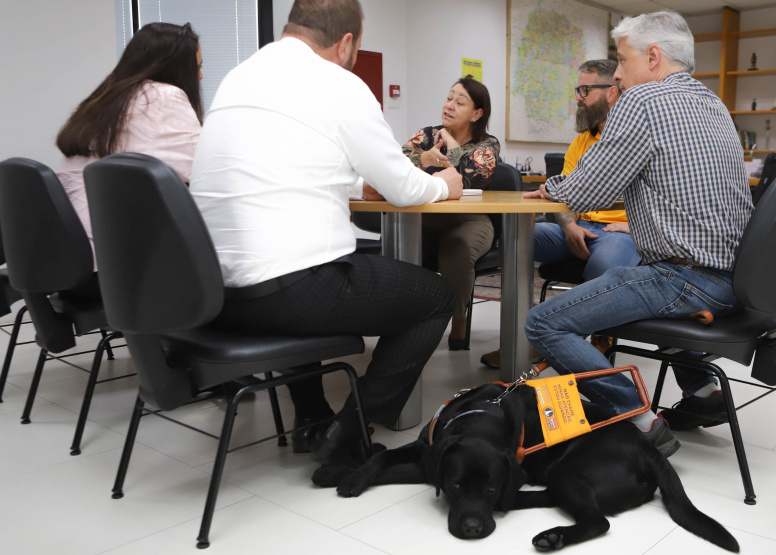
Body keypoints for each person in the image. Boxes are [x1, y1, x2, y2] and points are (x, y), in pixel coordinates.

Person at [190, 0, 464, 467]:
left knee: (296, 260)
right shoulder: (340, 83)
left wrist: (356, 184)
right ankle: (349, 433)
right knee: (437, 296)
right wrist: (445, 185)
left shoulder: (238, 77)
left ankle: (311, 417)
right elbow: (404, 187)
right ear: (346, 43)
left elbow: (281, 162)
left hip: (214, 293)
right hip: (288, 294)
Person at [524, 11, 754, 458]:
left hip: (686, 279)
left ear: (652, 57)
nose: (617, 75)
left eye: (623, 60)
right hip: (738, 281)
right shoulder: (714, 103)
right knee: (643, 276)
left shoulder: (643, 100)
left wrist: (551, 187)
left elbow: (587, 190)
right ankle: (704, 393)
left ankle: (638, 418)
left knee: (544, 323)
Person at [480, 58, 640, 370]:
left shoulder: (634, 139)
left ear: (612, 92)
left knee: (604, 265)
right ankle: (520, 342)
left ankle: (589, 342)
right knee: (517, 238)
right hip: (582, 227)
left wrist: (635, 227)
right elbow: (566, 195)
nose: (578, 98)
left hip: (619, 232)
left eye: (585, 90)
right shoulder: (581, 142)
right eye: (577, 90)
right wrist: (569, 226)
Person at [56, 22, 203, 270]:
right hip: (114, 258)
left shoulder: (105, 98)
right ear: (177, 68)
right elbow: (202, 170)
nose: (199, 76)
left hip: (70, 249)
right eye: (197, 67)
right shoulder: (163, 97)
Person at [401, 78, 500, 350]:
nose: (450, 105)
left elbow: (469, 179)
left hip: (469, 220)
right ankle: (405, 320)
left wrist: (452, 145)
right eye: (449, 98)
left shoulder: (487, 145)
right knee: (400, 245)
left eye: (460, 102)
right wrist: (424, 159)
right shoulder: (426, 136)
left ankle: (458, 317)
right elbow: (396, 165)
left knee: (457, 247)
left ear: (476, 114)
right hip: (425, 216)